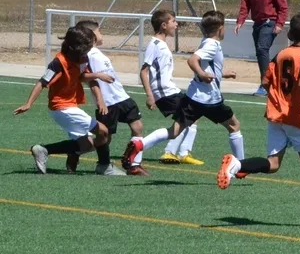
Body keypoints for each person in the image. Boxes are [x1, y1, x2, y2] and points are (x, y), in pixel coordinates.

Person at [217, 10, 300, 228]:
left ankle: (237, 164)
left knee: (273, 164)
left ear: (290, 33)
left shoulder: (281, 54)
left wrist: (279, 97)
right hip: (297, 118)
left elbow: (265, 81)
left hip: (276, 116)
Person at [123, 10, 244, 170]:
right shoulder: (211, 44)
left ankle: (142, 146)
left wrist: (221, 74)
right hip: (207, 98)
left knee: (175, 130)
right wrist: (202, 74)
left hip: (193, 97)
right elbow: (193, 60)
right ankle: (241, 166)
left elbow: (203, 64)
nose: (176, 24)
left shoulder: (206, 42)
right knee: (234, 125)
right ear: (221, 28)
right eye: (173, 21)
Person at [13, 25, 113, 175]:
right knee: (103, 132)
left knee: (86, 145)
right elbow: (42, 82)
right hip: (61, 107)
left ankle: (44, 150)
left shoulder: (82, 59)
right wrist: (28, 104)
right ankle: (105, 167)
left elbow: (82, 76)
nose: (90, 48)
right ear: (77, 47)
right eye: (88, 45)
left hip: (70, 106)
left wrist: (97, 76)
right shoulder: (58, 62)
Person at [75, 20, 146, 176]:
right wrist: (99, 87)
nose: (102, 34)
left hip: (122, 96)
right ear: (92, 35)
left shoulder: (97, 52)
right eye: (100, 31)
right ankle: (78, 151)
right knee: (105, 138)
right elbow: (81, 77)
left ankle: (134, 165)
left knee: (138, 127)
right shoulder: (86, 55)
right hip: (107, 102)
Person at [139, 10, 203, 167]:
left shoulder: (162, 44)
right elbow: (143, 71)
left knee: (193, 115)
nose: (176, 24)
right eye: (173, 21)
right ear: (163, 25)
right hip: (164, 92)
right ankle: (141, 147)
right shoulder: (154, 45)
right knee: (188, 116)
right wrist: (149, 95)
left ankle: (182, 152)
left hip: (169, 89)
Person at [235, 0, 289, 96]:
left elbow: (283, 6)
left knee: (262, 49)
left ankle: (265, 85)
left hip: (269, 22)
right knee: (260, 53)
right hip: (257, 23)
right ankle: (272, 79)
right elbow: (245, 5)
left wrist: (279, 24)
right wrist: (240, 21)